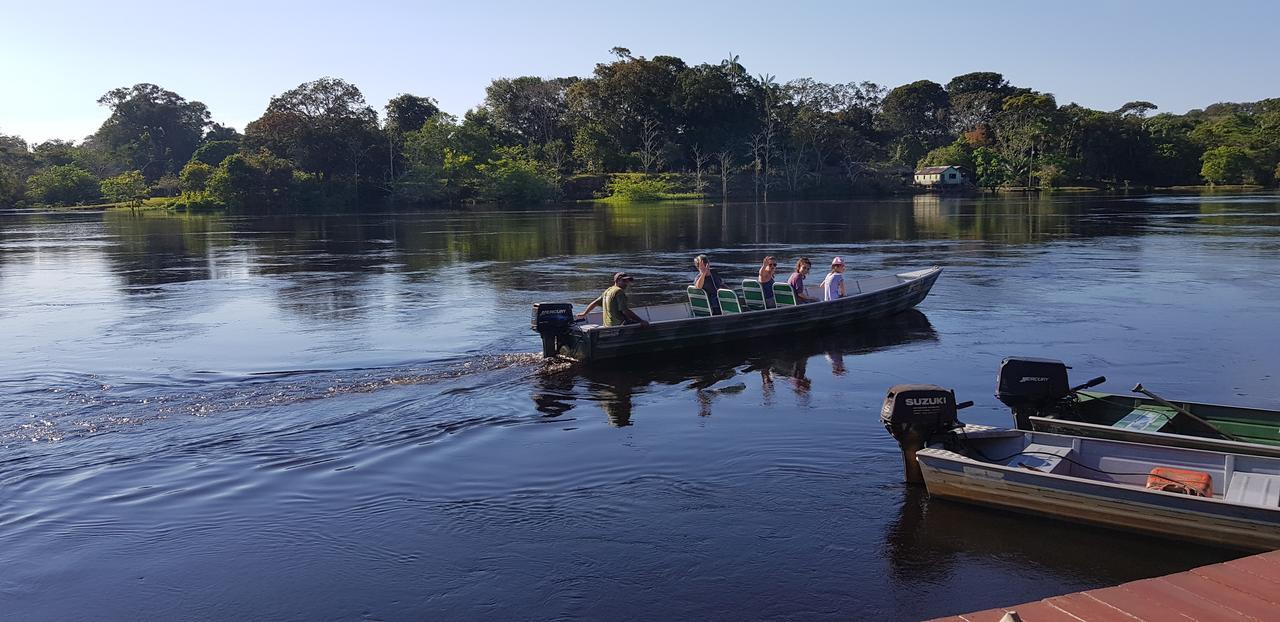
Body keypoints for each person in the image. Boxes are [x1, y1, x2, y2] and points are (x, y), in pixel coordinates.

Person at [577, 272, 649, 327]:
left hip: (607, 325)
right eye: (624, 281)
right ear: (617, 281)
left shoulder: (608, 291)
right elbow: (625, 311)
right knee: (643, 324)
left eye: (627, 281)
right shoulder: (619, 292)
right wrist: (641, 321)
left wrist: (585, 313)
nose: (626, 283)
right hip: (619, 324)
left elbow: (595, 303)